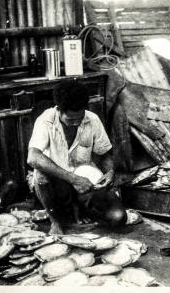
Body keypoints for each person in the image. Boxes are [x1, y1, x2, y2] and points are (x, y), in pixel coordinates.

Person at [27, 81, 127, 235]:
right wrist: (73, 179)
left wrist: (110, 172)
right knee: (40, 175)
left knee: (118, 217)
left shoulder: (92, 119)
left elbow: (105, 154)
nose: (76, 123)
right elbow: (33, 158)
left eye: (79, 119)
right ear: (59, 110)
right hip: (58, 184)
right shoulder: (45, 120)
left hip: (85, 185)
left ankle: (80, 210)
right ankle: (55, 220)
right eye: (70, 120)